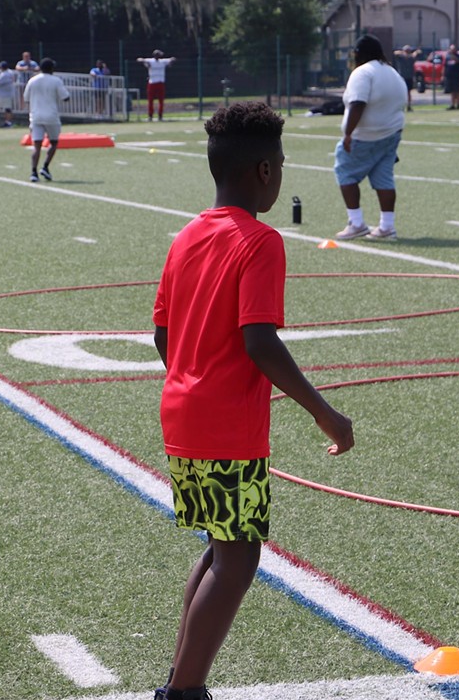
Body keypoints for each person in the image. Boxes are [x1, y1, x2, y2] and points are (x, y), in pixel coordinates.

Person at [150, 101, 354, 700]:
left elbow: (162, 332)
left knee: (223, 548)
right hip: (225, 424)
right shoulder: (260, 242)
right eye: (283, 163)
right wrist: (325, 411)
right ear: (265, 171)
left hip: (182, 412)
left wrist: (191, 375)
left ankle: (180, 678)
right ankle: (183, 692)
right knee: (238, 560)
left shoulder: (187, 234)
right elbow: (259, 340)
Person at [333, 34, 407, 242]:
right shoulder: (392, 72)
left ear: (358, 54)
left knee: (345, 173)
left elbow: (358, 103)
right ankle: (387, 226)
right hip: (391, 134)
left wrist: (348, 134)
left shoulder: (362, 73)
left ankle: (356, 223)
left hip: (364, 136)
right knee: (383, 178)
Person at [24, 57, 70, 183]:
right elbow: (65, 97)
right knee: (54, 143)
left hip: (36, 116)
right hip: (51, 116)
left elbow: (26, 98)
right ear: (51, 69)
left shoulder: (32, 80)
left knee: (37, 146)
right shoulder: (56, 80)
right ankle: (45, 166)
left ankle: (33, 172)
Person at [137, 50, 176, 121]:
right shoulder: (151, 61)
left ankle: (158, 115)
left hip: (158, 83)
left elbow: (173, 59)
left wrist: (170, 62)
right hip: (153, 82)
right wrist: (145, 63)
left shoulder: (162, 61)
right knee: (151, 101)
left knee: (160, 101)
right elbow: (139, 59)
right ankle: (152, 115)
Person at [0, 61, 17, 127]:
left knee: (7, 109)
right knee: (7, 108)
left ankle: (8, 122)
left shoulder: (5, 74)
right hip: (8, 92)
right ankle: (7, 121)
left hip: (5, 94)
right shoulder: (10, 72)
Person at [392, 45, 416, 111]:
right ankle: (401, 106)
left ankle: (409, 106)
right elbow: (395, 53)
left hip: (409, 77)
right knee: (401, 92)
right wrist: (403, 52)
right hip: (402, 77)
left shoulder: (411, 58)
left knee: (408, 92)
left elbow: (415, 55)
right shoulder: (401, 57)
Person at [442, 44, 459, 109]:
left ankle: (458, 104)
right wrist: (443, 75)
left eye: (453, 49)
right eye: (451, 49)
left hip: (456, 77)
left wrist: (452, 56)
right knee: (452, 91)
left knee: (457, 91)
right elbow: (444, 66)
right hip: (449, 77)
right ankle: (452, 105)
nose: (452, 50)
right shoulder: (447, 57)